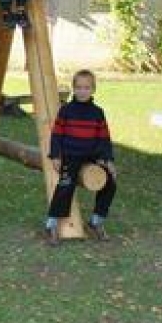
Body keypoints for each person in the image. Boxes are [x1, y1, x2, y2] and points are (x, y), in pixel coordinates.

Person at [44, 69, 118, 246]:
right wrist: (55, 155)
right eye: (79, 87)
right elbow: (57, 135)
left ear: (93, 89)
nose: (82, 91)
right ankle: (51, 224)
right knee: (65, 186)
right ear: (73, 89)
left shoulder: (98, 113)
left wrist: (108, 160)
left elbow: (104, 139)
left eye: (86, 87)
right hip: (71, 157)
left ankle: (96, 221)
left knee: (111, 182)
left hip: (92, 157)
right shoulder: (66, 111)